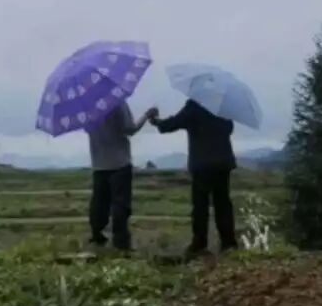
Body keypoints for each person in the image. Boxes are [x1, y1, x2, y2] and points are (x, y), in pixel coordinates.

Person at [149, 100, 238, 256]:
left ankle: (199, 243)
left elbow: (172, 124)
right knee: (223, 203)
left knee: (200, 205)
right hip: (222, 162)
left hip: (202, 164)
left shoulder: (194, 106)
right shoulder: (222, 106)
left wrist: (155, 121)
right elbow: (229, 128)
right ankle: (228, 243)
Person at [86, 100, 155, 251]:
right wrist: (146, 115)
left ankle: (97, 236)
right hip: (120, 163)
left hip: (98, 163)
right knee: (120, 205)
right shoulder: (117, 101)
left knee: (98, 204)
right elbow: (130, 129)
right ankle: (121, 242)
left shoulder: (87, 105)